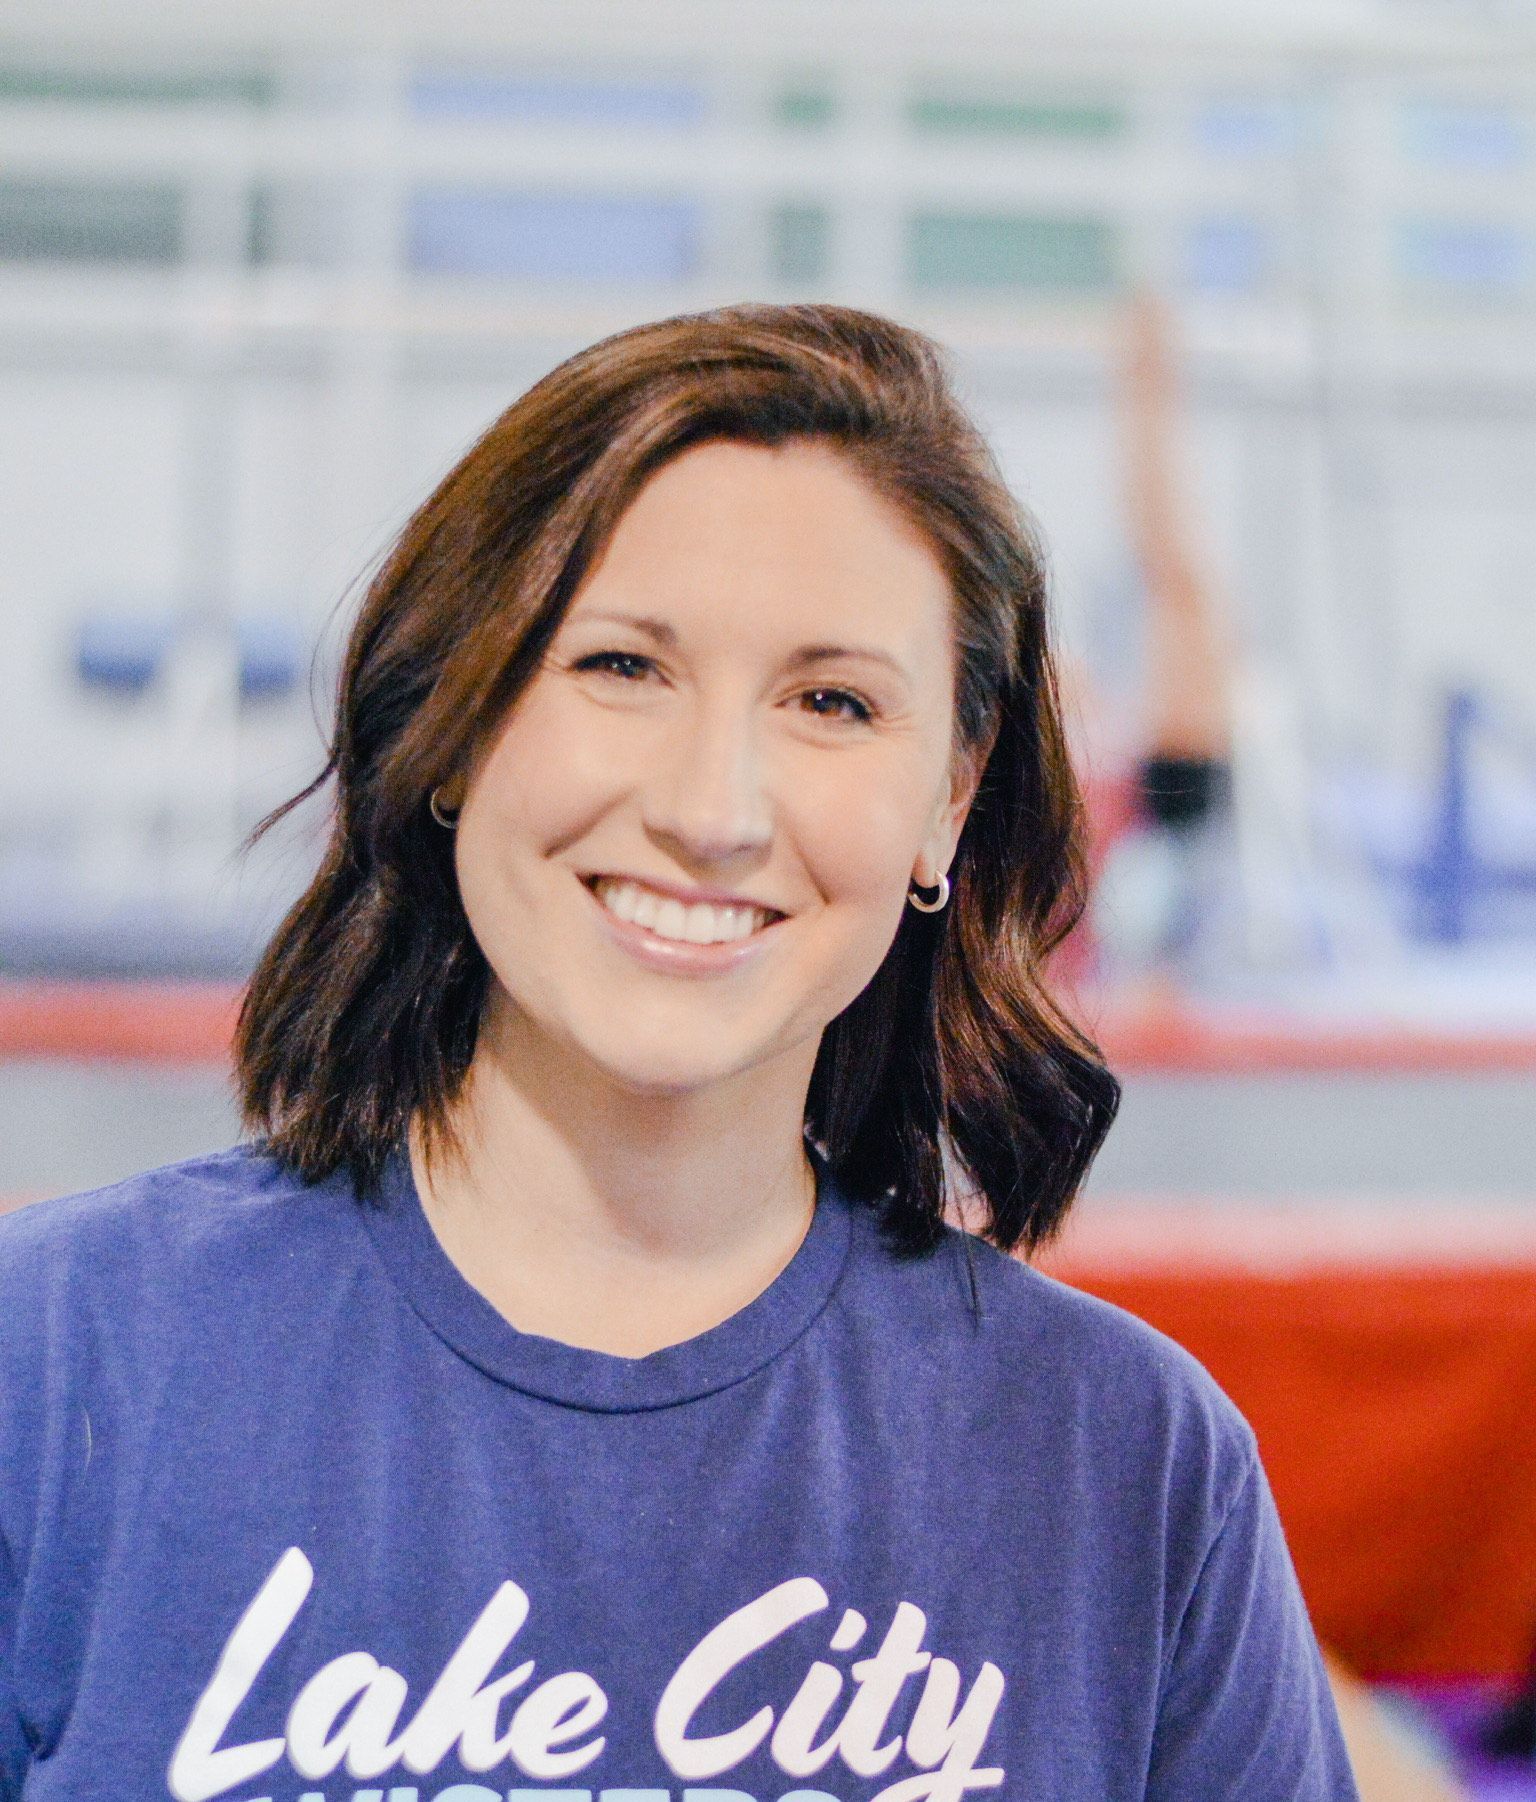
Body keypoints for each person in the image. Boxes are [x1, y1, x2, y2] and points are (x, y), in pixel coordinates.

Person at [0, 303, 1357, 1802]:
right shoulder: (61, 1362)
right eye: (623, 667)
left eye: (831, 701)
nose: (714, 805)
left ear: (946, 804)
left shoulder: (1125, 1463)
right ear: (456, 723)